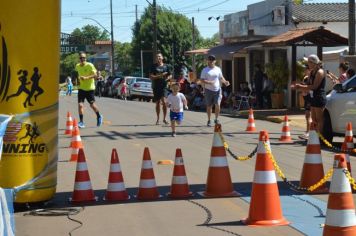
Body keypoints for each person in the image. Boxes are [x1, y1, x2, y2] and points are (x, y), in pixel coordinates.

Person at [291, 54, 326, 133]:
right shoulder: (311, 72)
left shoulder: (320, 72)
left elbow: (314, 86)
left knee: (319, 119)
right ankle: (315, 137)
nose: (308, 64)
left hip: (319, 97)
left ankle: (320, 138)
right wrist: (299, 86)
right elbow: (308, 84)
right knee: (314, 119)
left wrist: (300, 86)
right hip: (313, 97)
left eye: (309, 62)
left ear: (314, 63)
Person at [199, 54, 230, 126]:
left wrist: (225, 82)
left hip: (217, 89)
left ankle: (216, 119)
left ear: (215, 61)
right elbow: (201, 80)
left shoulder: (218, 69)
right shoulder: (205, 70)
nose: (211, 61)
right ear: (208, 61)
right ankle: (209, 120)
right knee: (209, 106)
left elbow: (221, 77)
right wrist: (209, 82)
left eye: (212, 60)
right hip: (208, 90)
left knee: (217, 104)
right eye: (210, 59)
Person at [75, 52, 103, 128]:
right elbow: (77, 74)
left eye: (83, 58)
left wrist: (86, 78)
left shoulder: (90, 65)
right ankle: (81, 122)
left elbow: (95, 75)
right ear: (79, 59)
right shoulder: (77, 66)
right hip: (81, 88)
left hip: (90, 88)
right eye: (81, 58)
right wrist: (77, 81)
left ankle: (99, 116)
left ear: (85, 58)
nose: (82, 59)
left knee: (92, 105)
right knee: (80, 105)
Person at [149, 53, 172, 125]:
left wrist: (168, 78)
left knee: (164, 102)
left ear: (162, 57)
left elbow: (170, 74)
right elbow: (151, 76)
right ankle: (158, 119)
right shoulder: (153, 66)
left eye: (159, 56)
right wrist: (160, 76)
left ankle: (164, 119)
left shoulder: (166, 66)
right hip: (156, 86)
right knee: (158, 103)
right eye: (157, 57)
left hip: (164, 86)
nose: (158, 58)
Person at [298, 65, 312, 140]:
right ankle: (308, 131)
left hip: (309, 98)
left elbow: (307, 88)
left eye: (306, 69)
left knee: (308, 115)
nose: (304, 71)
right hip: (307, 98)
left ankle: (308, 132)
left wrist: (301, 87)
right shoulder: (305, 77)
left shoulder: (308, 78)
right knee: (307, 115)